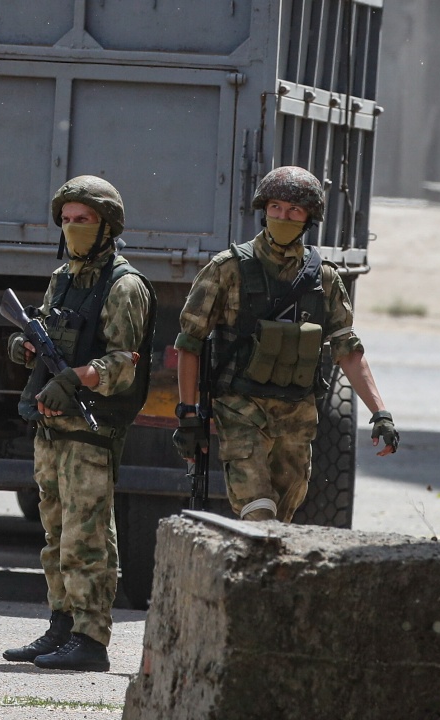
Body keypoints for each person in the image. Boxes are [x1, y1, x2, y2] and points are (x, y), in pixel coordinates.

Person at [171, 166, 399, 523]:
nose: (283, 216)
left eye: (294, 210)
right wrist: (187, 414)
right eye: (276, 207)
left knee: (282, 518)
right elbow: (189, 344)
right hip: (241, 407)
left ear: (308, 217)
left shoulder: (324, 278)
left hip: (296, 414)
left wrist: (380, 413)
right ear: (265, 210)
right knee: (258, 511)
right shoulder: (227, 268)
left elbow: (349, 351)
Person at [2, 176, 156, 672]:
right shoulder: (62, 277)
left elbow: (122, 363)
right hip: (52, 427)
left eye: (83, 220)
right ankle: (62, 626)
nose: (73, 228)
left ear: (107, 225)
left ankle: (91, 640)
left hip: (91, 427)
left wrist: (73, 381)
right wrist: (24, 349)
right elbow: (46, 334)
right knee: (56, 534)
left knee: (87, 536)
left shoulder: (124, 286)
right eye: (67, 220)